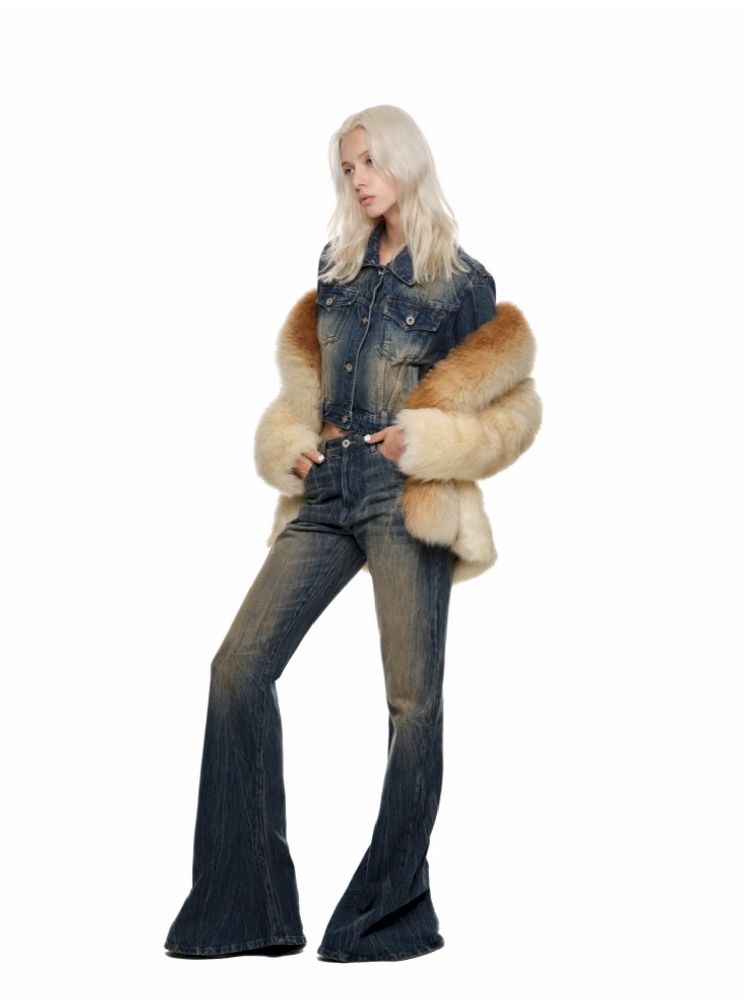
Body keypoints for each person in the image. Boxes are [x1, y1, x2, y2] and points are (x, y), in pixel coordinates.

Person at [163, 104, 542, 963]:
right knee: (237, 670)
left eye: (369, 161)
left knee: (412, 705)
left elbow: (512, 412)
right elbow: (303, 391)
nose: (358, 179)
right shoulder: (335, 272)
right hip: (328, 489)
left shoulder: (461, 284)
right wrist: (293, 445)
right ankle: (248, 908)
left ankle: (388, 913)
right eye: (347, 168)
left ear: (405, 160)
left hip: (404, 497)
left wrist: (428, 442)